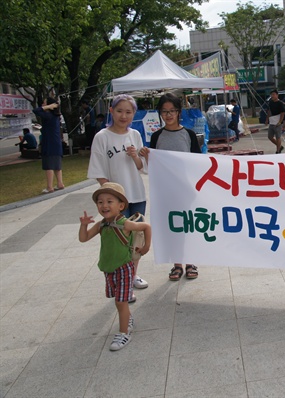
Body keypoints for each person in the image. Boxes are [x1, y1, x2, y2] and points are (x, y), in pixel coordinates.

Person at [88, 94, 149, 297]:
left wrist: (135, 156)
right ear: (111, 111)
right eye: (120, 111)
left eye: (129, 112)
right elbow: (99, 172)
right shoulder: (102, 137)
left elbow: (142, 167)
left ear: (134, 114)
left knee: (136, 238)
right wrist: (111, 199)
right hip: (116, 201)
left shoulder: (135, 135)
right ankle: (123, 282)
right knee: (119, 238)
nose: (124, 115)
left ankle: (132, 276)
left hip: (137, 194)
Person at [79, 182, 151, 351]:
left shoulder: (125, 224)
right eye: (100, 202)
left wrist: (146, 246)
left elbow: (146, 226)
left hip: (124, 268)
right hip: (108, 269)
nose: (104, 205)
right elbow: (84, 238)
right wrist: (84, 225)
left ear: (121, 206)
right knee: (118, 300)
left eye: (109, 201)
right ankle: (128, 318)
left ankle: (124, 333)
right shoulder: (102, 224)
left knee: (120, 302)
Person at [139, 93, 201, 281]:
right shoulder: (157, 136)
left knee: (188, 226)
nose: (168, 115)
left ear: (179, 112)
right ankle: (177, 264)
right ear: (160, 113)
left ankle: (191, 262)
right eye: (164, 112)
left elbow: (198, 162)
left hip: (186, 189)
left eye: (172, 111)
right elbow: (154, 165)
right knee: (174, 226)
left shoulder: (189, 134)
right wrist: (146, 156)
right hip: (166, 191)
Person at [33, 97, 65, 193]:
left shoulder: (49, 116)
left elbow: (35, 110)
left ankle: (49, 187)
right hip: (55, 143)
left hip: (50, 143)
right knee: (57, 165)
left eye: (45, 103)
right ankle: (60, 184)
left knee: (49, 165)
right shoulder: (55, 116)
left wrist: (48, 106)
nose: (43, 105)